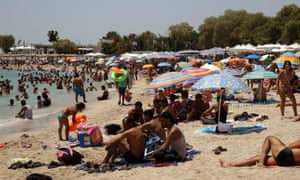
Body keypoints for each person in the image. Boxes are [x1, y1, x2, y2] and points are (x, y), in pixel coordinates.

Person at [220, 135, 300, 167]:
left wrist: (280, 147)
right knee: (258, 157)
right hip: (290, 161)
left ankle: (261, 163)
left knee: (269, 138)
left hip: (286, 155)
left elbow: (290, 146)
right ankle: (230, 164)